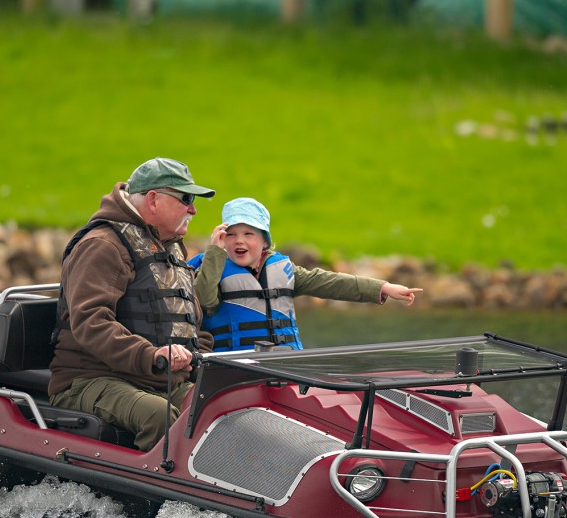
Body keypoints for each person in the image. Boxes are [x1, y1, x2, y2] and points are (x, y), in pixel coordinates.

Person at [48, 157, 216, 452]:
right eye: (186, 199)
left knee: (216, 408)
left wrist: (201, 358)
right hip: (90, 378)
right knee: (157, 416)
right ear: (153, 200)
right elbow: (91, 323)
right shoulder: (103, 245)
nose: (193, 209)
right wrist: (152, 355)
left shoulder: (170, 245)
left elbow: (190, 319)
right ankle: (155, 497)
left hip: (156, 377)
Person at [188, 197, 422, 351]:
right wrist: (214, 254)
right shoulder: (212, 266)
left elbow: (331, 283)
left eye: (248, 233)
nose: (239, 240)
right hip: (234, 368)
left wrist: (383, 288)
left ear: (264, 241)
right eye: (231, 234)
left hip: (283, 365)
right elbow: (205, 300)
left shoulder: (283, 270)